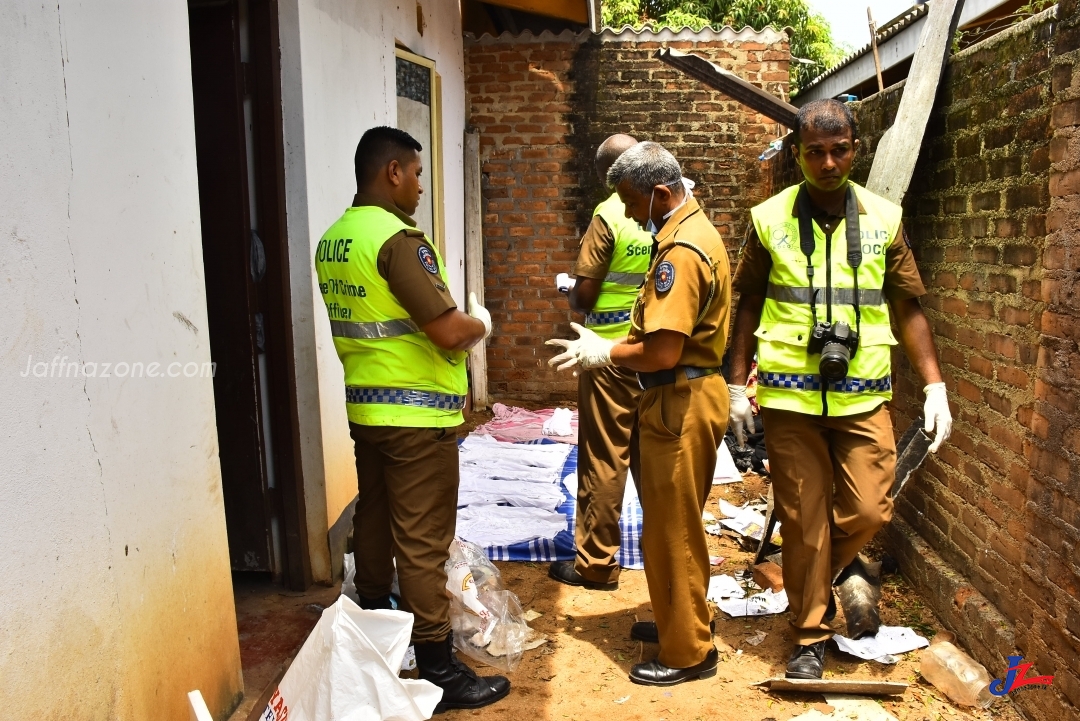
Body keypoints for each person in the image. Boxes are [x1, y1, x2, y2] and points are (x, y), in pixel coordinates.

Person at [725, 99, 953, 680]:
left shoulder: (884, 216)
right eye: (815, 152)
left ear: (857, 148)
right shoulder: (768, 217)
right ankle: (807, 635)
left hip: (861, 396)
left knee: (871, 507)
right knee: (803, 520)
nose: (828, 162)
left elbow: (908, 305)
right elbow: (746, 302)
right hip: (789, 399)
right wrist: (734, 384)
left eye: (839, 150)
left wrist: (935, 386)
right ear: (796, 154)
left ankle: (815, 569)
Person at [315, 126, 509, 712]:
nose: (422, 186)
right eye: (417, 173)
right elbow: (448, 331)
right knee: (422, 541)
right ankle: (438, 667)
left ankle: (375, 632)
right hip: (416, 417)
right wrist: (481, 323)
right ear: (392, 172)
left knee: (373, 519)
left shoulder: (335, 239)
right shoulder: (397, 239)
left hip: (368, 411)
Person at [548, 141, 731, 686]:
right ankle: (683, 621)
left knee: (672, 530)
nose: (627, 213)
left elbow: (662, 350)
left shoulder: (680, 251)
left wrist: (604, 351)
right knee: (672, 525)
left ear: (657, 193)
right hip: (680, 395)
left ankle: (688, 652)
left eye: (631, 202)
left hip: (680, 396)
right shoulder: (687, 231)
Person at [548, 134, 654, 591]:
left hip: (605, 351)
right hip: (653, 348)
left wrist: (569, 288)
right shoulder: (665, 211)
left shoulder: (609, 214)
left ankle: (595, 563)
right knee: (653, 455)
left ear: (606, 176)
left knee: (605, 457)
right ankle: (663, 560)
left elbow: (586, 295)